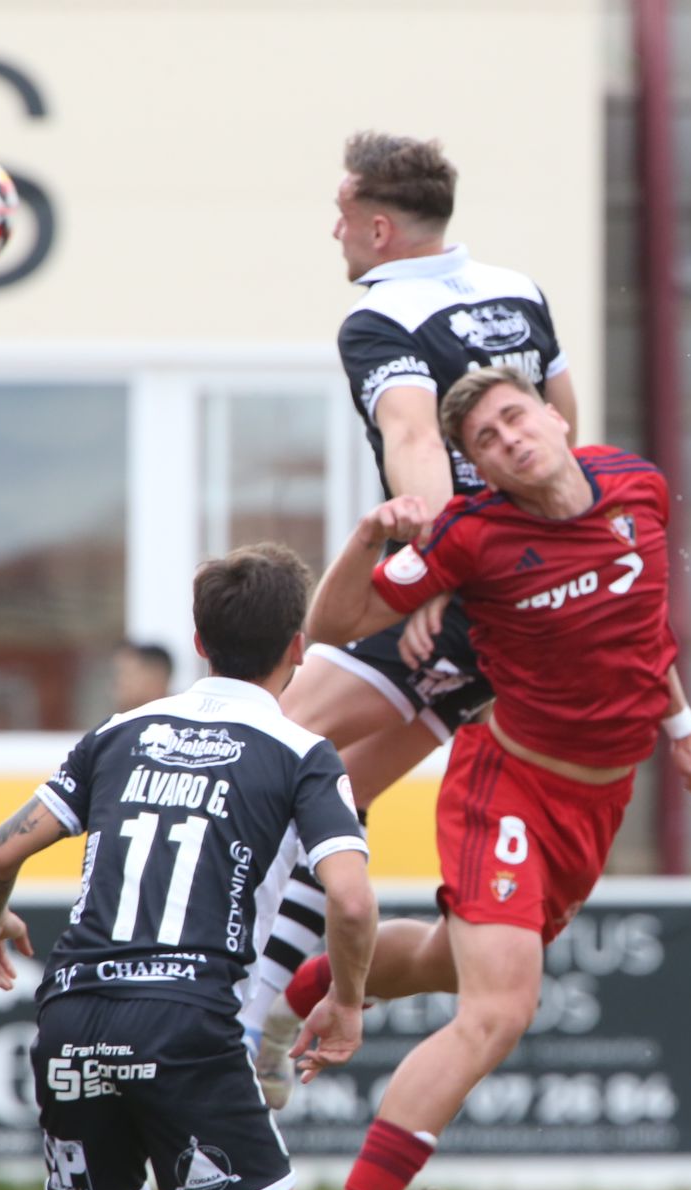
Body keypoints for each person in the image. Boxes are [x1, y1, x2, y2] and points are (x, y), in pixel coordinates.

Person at [280, 368, 691, 1190]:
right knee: (499, 1008)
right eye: (483, 437)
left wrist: (682, 728)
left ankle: (283, 998)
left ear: (554, 417)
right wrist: (366, 539)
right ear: (474, 468)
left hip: (597, 800)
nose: (507, 438)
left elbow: (642, 627)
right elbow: (341, 625)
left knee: (449, 958)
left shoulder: (636, 485)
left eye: (515, 415)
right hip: (506, 783)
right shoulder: (471, 539)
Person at [0, 544, 377, 1190]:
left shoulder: (121, 733)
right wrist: (349, 999)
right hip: (187, 1021)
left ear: (198, 639)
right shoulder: (300, 754)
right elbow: (354, 900)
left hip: (74, 1014)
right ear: (299, 646)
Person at [250, 132, 582, 1096]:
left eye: (344, 215)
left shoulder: (382, 318)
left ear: (381, 225)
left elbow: (410, 439)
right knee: (337, 799)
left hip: (454, 584)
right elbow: (565, 428)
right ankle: (271, 1004)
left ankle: (214, 1007)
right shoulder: (519, 289)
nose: (335, 231)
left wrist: (434, 570)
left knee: (253, 752)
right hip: (526, 590)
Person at [112, 641, 174, 713]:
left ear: (156, 676)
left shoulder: (182, 716)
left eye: (128, 674)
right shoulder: (120, 721)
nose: (120, 682)